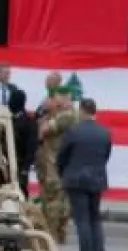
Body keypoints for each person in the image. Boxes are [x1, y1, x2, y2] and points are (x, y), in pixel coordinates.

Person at [58, 97, 112, 251]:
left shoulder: (74, 131)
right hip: (97, 179)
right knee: (95, 218)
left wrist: (63, 173)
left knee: (82, 220)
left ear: (81, 111)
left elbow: (62, 156)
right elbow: (106, 155)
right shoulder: (104, 132)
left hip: (77, 179)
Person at [36, 88, 77, 243]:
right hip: (59, 164)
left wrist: (44, 119)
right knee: (59, 200)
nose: (50, 102)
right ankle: (58, 233)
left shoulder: (65, 116)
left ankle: (52, 235)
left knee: (53, 201)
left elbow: (43, 131)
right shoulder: (69, 114)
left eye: (53, 98)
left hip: (55, 165)